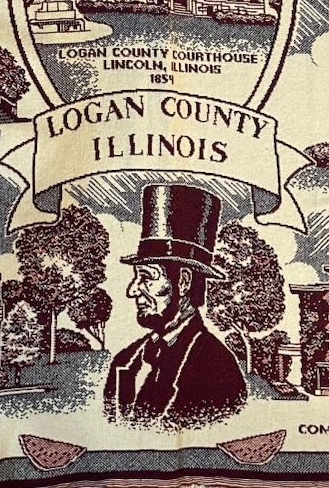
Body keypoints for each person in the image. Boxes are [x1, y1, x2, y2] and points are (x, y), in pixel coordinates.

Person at [104, 183, 247, 428]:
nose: (132, 290)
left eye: (146, 277)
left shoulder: (219, 368)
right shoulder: (125, 360)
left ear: (184, 281)